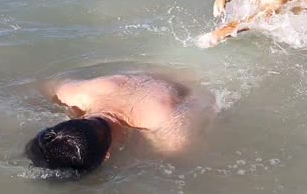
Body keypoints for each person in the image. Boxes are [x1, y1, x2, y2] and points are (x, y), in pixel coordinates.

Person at [25, 73, 216, 175]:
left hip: (200, 77)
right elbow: (43, 84)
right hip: (174, 71)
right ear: (74, 120)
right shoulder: (74, 94)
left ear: (107, 156)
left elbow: (210, 102)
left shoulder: (171, 141)